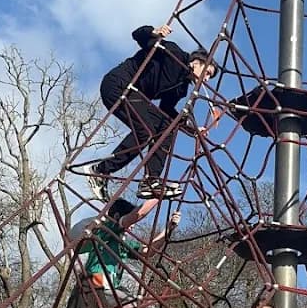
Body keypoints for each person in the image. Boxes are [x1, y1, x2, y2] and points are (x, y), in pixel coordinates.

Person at [92, 23, 217, 200]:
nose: (206, 79)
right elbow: (139, 35)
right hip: (119, 84)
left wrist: (191, 127)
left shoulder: (180, 89)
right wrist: (153, 32)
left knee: (167, 127)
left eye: (210, 77)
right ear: (196, 62)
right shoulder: (174, 54)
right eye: (207, 73)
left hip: (135, 96)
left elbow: (166, 111)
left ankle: (151, 180)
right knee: (146, 131)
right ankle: (101, 170)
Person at [57, 198, 180, 308]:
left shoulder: (122, 242)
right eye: (130, 224)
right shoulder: (107, 230)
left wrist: (167, 230)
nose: (132, 228)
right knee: (131, 301)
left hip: (108, 297)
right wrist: (158, 195)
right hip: (95, 286)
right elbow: (137, 215)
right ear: (116, 216)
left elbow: (147, 252)